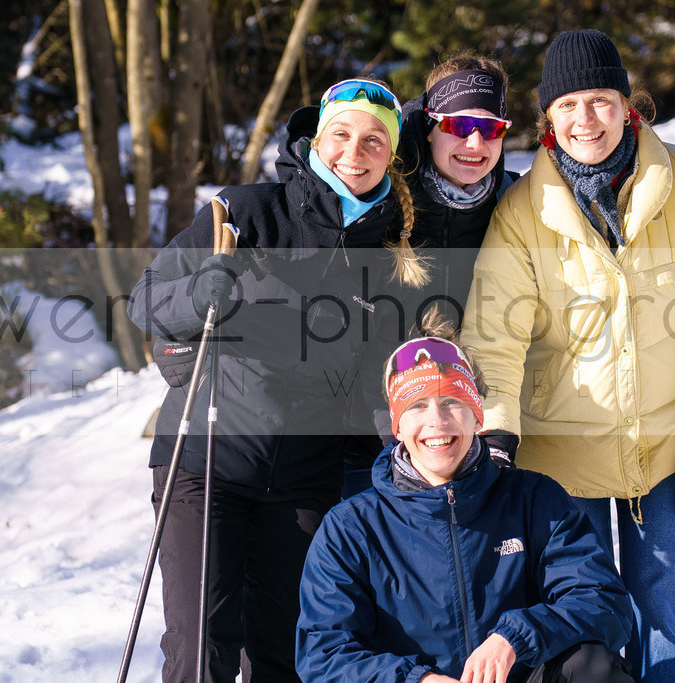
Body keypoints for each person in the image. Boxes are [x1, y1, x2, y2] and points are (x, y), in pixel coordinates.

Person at [459, 29, 675, 682]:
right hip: (559, 453)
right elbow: (494, 335)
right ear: (548, 118)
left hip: (664, 445)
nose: (583, 119)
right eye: (567, 106)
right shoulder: (522, 211)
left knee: (669, 614)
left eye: (598, 100)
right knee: (581, 623)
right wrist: (497, 437)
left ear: (629, 106)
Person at [127, 78, 422, 682]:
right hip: (207, 463)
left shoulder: (395, 254)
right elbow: (145, 299)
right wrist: (194, 293)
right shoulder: (246, 212)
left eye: (373, 141)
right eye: (341, 134)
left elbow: (379, 386)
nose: (354, 151)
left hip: (305, 485)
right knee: (200, 644)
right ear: (317, 139)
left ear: (391, 155)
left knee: (286, 653)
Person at [296, 321, 636, 683]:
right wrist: (417, 680)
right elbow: (324, 653)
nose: (436, 422)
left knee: (592, 665)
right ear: (396, 426)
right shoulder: (351, 527)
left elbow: (603, 602)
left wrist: (515, 637)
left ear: (477, 415)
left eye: (451, 402)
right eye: (417, 406)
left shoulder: (535, 499)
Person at [341, 53, 519, 498]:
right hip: (367, 437)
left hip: (473, 434)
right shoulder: (378, 197)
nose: (476, 143)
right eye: (459, 126)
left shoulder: (516, 204)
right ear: (430, 126)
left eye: (492, 128)